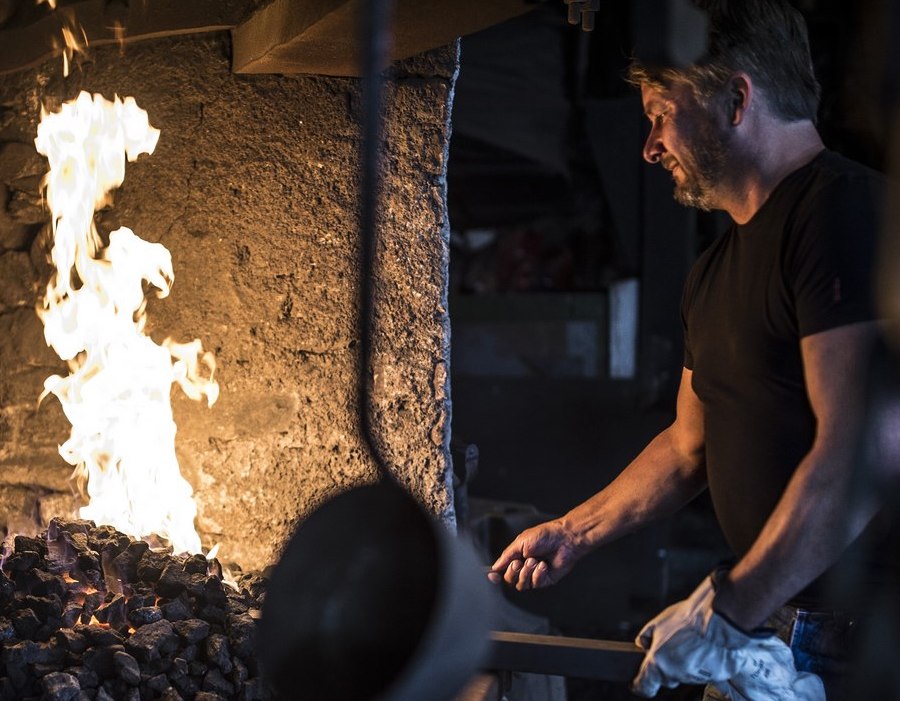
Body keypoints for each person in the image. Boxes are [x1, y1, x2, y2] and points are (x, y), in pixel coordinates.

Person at [487, 1, 893, 699]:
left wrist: (727, 609)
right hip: (767, 626)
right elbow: (687, 446)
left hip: (862, 644)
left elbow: (859, 448)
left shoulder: (845, 216)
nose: (650, 147)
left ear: (736, 99)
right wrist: (573, 532)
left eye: (659, 115)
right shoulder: (712, 273)